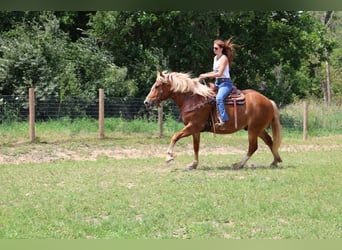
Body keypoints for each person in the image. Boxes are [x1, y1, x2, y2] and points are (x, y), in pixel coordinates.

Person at [199, 37, 238, 130]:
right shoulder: (215, 58)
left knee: (219, 98)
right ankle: (207, 119)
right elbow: (214, 72)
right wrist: (205, 75)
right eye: (213, 48)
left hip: (225, 83)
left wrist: (206, 75)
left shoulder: (224, 58)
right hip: (217, 82)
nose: (214, 50)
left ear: (221, 49)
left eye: (216, 48)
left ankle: (223, 121)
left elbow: (219, 73)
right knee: (206, 96)